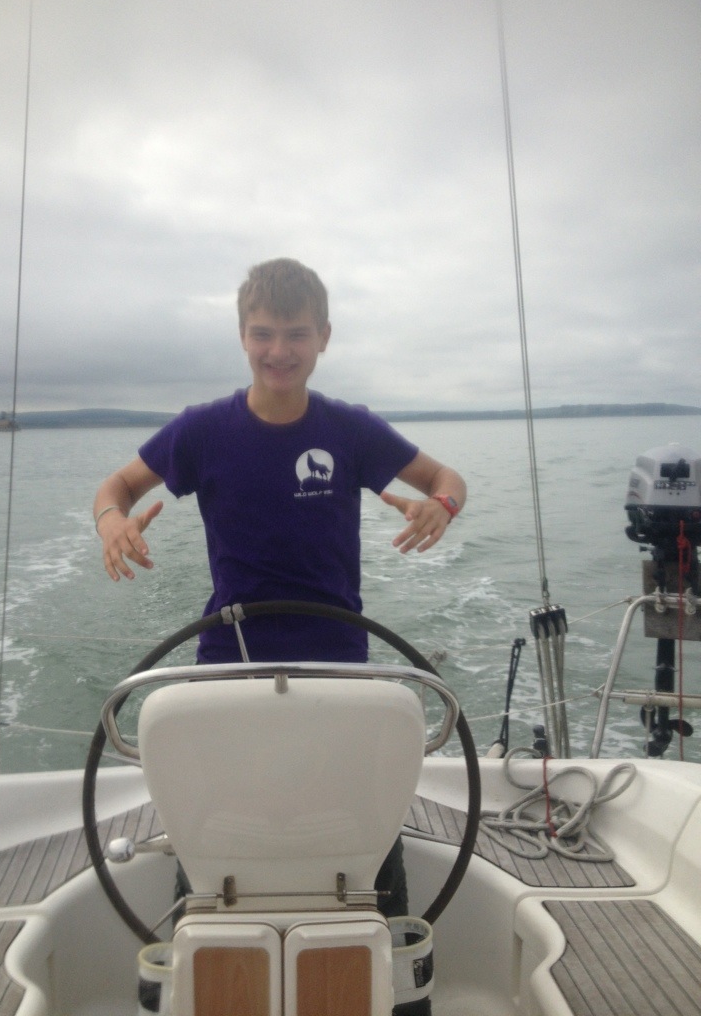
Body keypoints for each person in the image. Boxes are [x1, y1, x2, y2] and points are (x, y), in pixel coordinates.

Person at [93, 258, 465, 1010]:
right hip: (227, 669)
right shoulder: (203, 430)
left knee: (369, 848)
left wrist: (442, 507)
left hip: (341, 673)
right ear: (242, 335)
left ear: (323, 336)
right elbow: (117, 487)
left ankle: (397, 992)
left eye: (295, 334)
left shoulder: (349, 428)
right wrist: (112, 524)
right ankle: (189, 983)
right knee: (208, 845)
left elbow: (446, 479)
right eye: (263, 334)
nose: (278, 351)